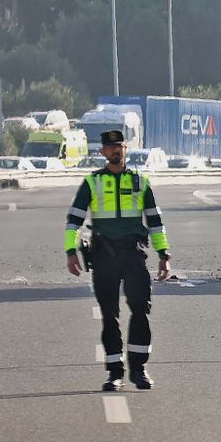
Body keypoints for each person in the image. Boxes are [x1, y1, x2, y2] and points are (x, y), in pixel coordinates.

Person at [64, 130, 172, 391]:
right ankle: (115, 373)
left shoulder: (140, 182)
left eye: (119, 147)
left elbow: (155, 222)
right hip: (103, 257)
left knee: (140, 308)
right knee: (109, 315)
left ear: (126, 149)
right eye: (110, 147)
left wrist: (163, 255)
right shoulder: (92, 183)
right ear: (102, 152)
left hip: (133, 255)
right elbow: (74, 220)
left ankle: (139, 369)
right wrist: (70, 252)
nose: (115, 151)